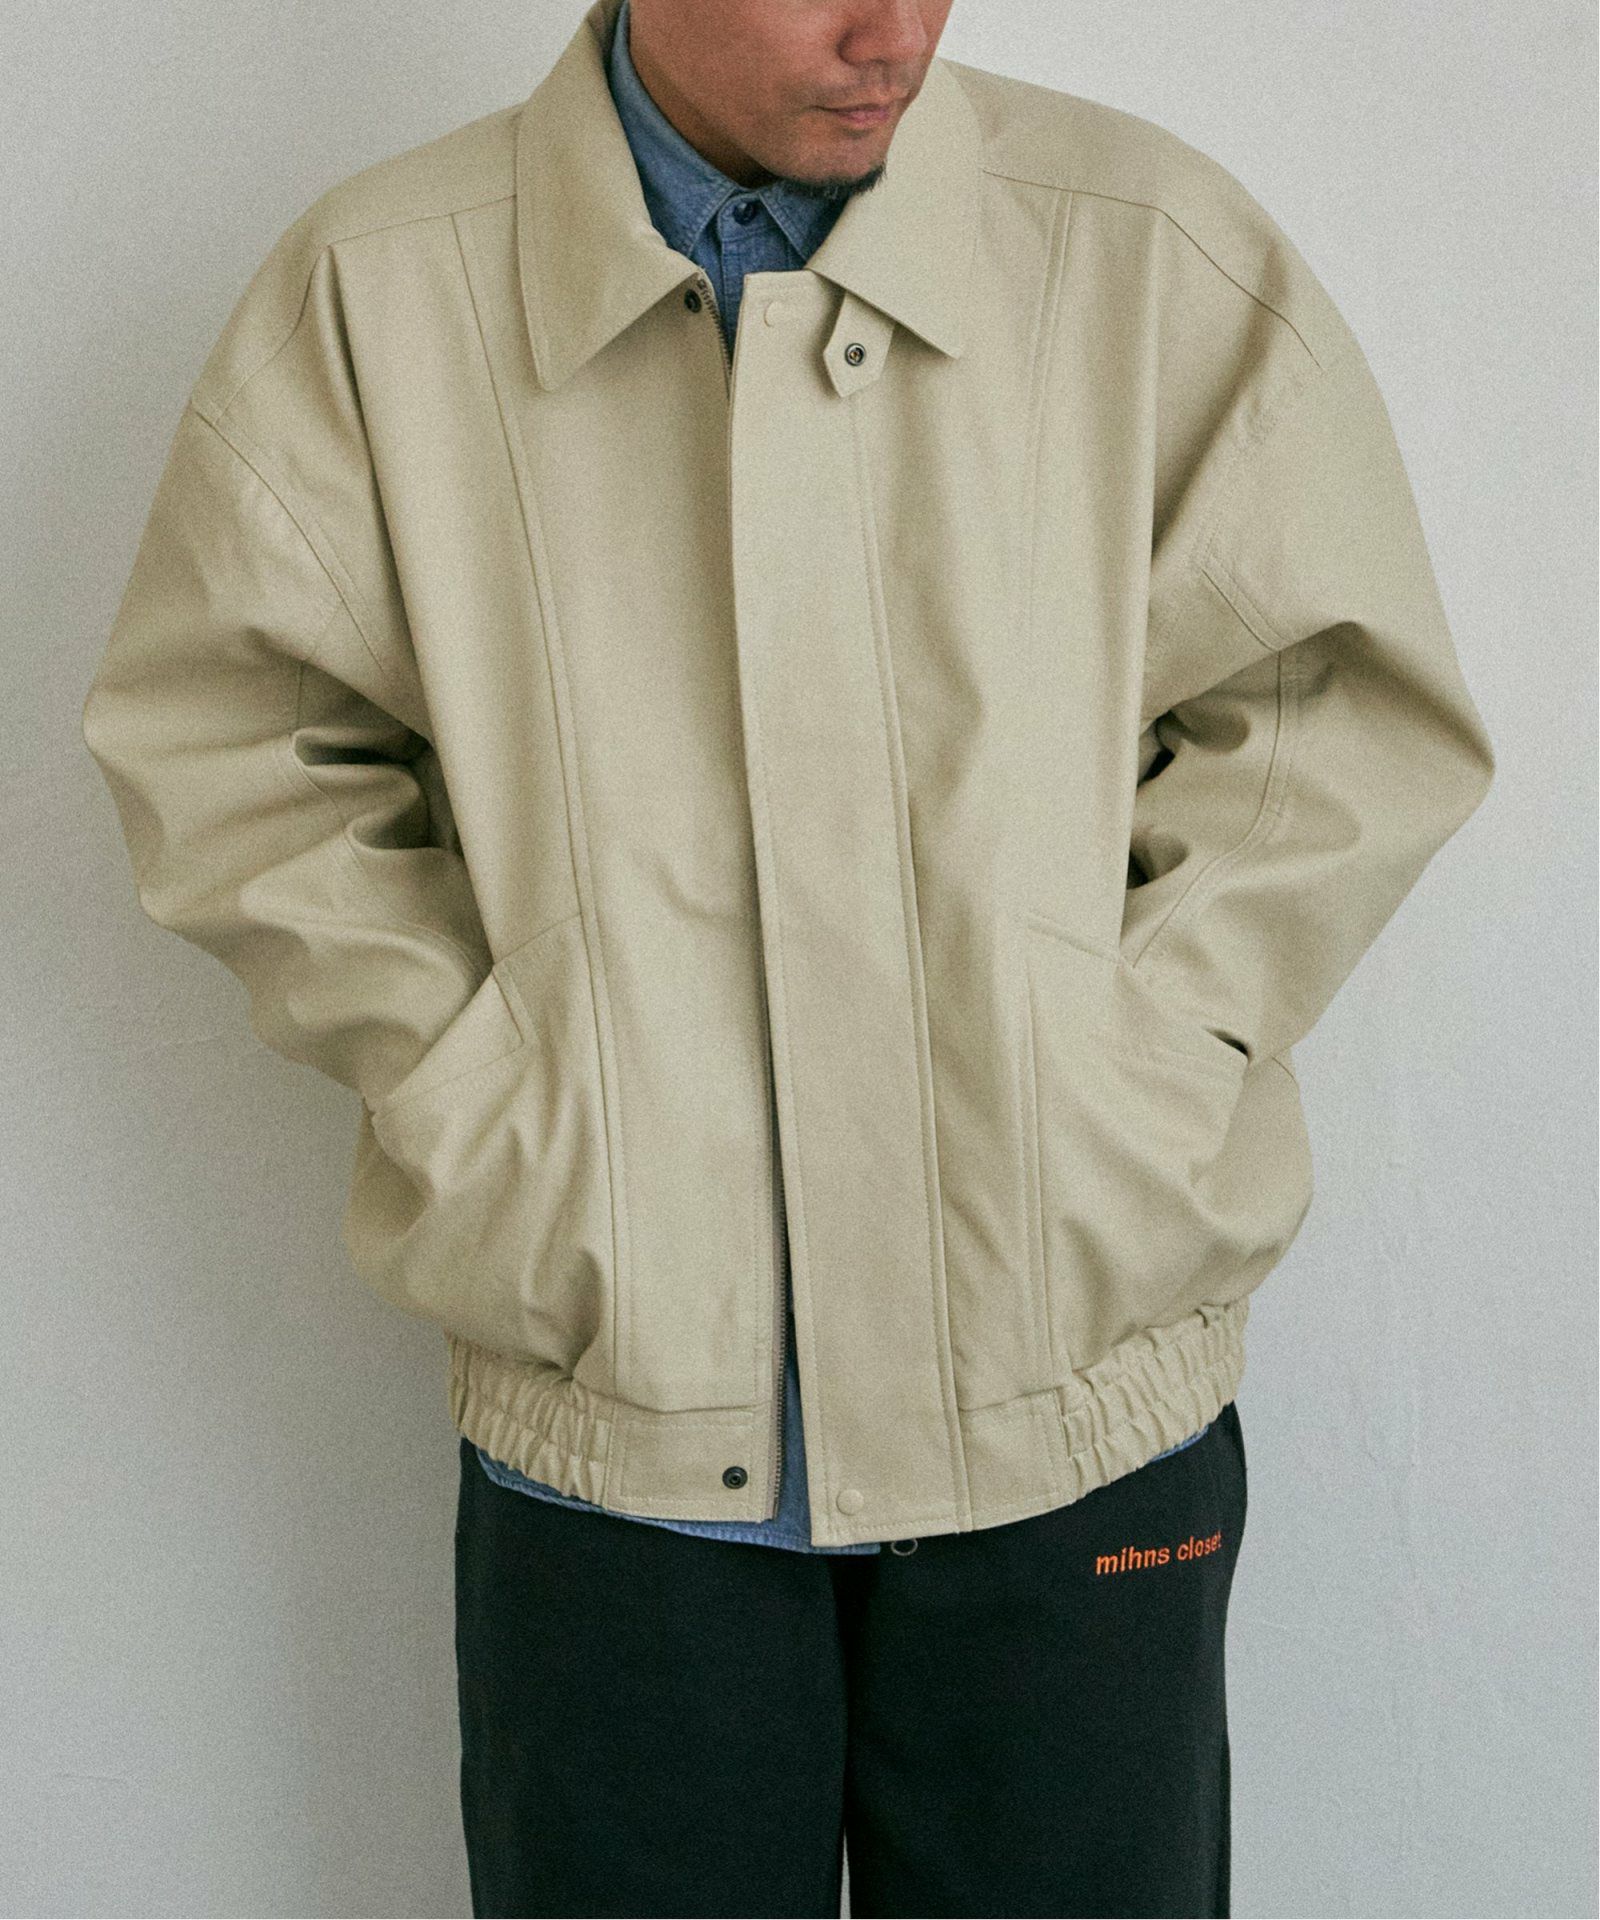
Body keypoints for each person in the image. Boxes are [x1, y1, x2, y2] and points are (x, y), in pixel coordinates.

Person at [80, 0, 1496, 1912]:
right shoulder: (380, 298)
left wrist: (1127, 1079)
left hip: (1070, 1403)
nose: (890, 28)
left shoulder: (1141, 257)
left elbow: (1329, 713)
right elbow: (235, 746)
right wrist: (494, 1100)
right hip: (620, 1427)